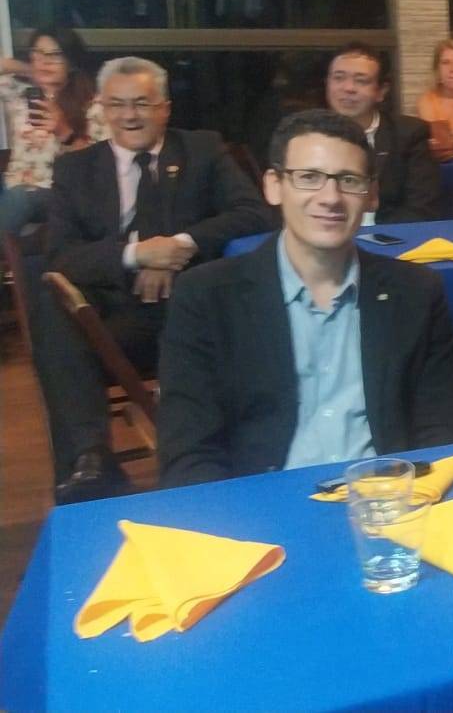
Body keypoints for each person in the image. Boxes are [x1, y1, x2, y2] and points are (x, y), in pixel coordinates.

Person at [157, 110, 453, 487]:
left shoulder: (416, 292)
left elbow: (442, 431)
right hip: (263, 503)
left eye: (349, 180)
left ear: (371, 194)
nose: (331, 198)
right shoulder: (206, 297)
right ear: (273, 186)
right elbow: (189, 453)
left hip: (388, 500)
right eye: (309, 177)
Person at [32, 57, 273, 502]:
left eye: (142, 103)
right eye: (117, 104)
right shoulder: (76, 169)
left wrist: (178, 246)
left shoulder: (202, 149)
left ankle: (195, 476)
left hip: (187, 310)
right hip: (111, 318)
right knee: (53, 305)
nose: (130, 116)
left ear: (164, 108)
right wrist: (136, 254)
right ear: (102, 109)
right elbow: (60, 256)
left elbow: (255, 214)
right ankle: (90, 459)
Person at [0, 26, 108, 236]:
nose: (45, 61)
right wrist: (30, 69)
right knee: (15, 196)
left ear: (71, 62)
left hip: (57, 191)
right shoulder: (20, 95)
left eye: (55, 55)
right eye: (38, 53)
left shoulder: (93, 106)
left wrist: (64, 131)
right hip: (13, 187)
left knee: (20, 197)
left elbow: (100, 164)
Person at [325, 42, 440, 224]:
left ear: (381, 92)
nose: (348, 88)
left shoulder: (409, 134)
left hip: (384, 234)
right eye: (339, 78)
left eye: (361, 81)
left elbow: (421, 209)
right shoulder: (306, 137)